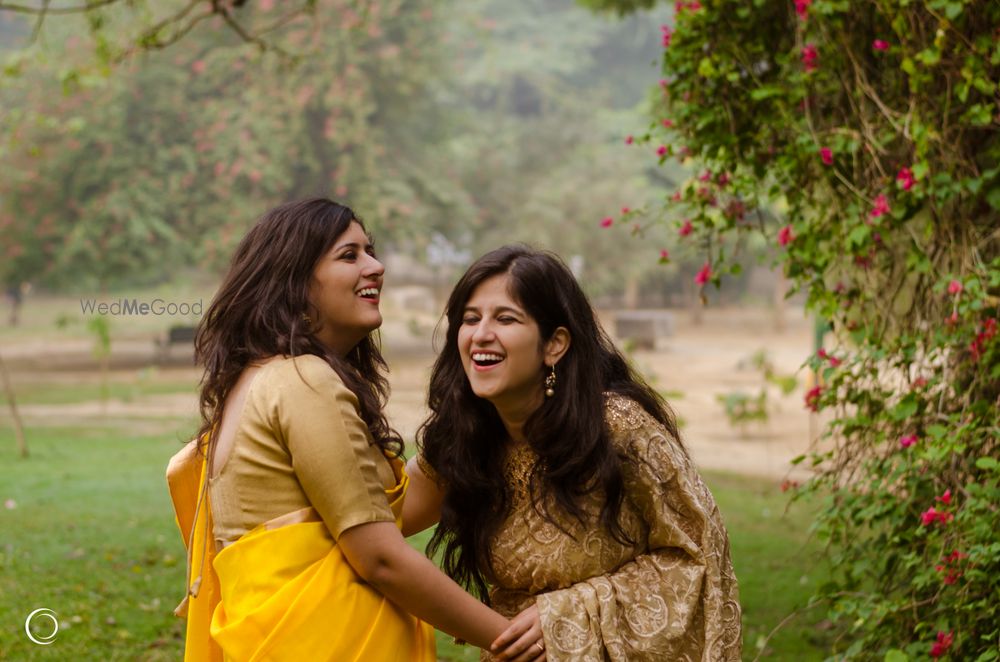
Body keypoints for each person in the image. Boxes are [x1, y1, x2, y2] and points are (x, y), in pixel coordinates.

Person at [166, 199, 536, 661]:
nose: (376, 267)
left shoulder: (260, 380)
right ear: (295, 280)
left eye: (371, 251)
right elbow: (380, 557)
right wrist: (519, 643)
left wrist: (489, 419)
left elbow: (387, 513)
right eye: (350, 255)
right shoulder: (303, 382)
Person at [404, 245, 742, 661]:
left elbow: (702, 556)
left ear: (555, 345)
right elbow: (374, 521)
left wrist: (568, 613)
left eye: (505, 318)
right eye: (470, 318)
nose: (480, 334)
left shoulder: (617, 426)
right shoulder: (465, 438)